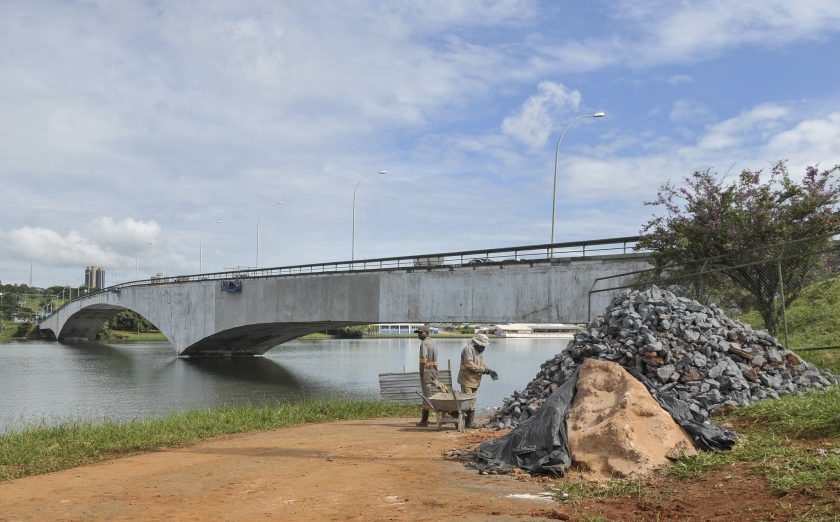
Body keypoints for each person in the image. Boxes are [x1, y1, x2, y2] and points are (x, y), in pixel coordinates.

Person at [457, 333, 498, 428]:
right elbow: (469, 364)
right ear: (477, 343)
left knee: (473, 401)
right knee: (468, 401)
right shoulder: (469, 349)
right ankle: (468, 423)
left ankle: (470, 422)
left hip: (475, 380)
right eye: (483, 345)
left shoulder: (479, 351)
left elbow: (482, 364)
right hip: (466, 379)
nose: (484, 347)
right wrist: (484, 370)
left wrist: (489, 370)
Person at [415, 325, 447, 427]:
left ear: (426, 333)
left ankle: (424, 421)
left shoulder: (424, 343)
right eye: (418, 333)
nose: (419, 334)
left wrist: (421, 372)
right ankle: (446, 392)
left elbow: (423, 359)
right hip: (433, 370)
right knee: (437, 384)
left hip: (426, 372)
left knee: (426, 396)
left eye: (421, 333)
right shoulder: (432, 342)